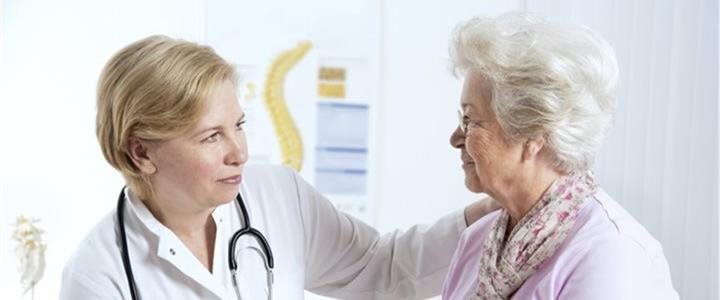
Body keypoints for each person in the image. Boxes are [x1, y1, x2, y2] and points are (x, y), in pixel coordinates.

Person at [59, 35, 498, 300]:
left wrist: (491, 211)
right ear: (141, 153)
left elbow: (382, 267)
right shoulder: (99, 275)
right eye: (212, 136)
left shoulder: (277, 196)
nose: (240, 152)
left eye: (239, 125)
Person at [442, 12, 679, 299]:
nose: (456, 138)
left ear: (532, 135)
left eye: (471, 120)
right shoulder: (477, 241)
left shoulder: (611, 255)